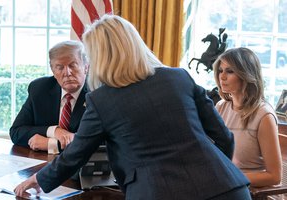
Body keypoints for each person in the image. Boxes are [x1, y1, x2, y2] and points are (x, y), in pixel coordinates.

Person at [14, 15, 251, 200]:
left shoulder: (102, 100)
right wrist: (213, 172)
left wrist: (38, 179)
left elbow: (74, 155)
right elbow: (224, 138)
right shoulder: (179, 78)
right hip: (227, 188)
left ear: (100, 57)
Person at [213, 47, 282, 187]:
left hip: (251, 192)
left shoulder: (264, 115)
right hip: (226, 187)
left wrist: (230, 178)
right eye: (221, 70)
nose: (222, 76)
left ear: (246, 75)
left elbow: (275, 176)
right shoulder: (221, 107)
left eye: (230, 71)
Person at [10, 40, 89, 154]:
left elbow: (101, 141)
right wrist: (53, 131)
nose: (67, 73)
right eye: (60, 67)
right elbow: (16, 132)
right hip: (43, 165)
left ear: (86, 67)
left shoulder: (97, 93)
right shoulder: (39, 89)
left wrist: (51, 144)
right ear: (53, 70)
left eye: (72, 65)